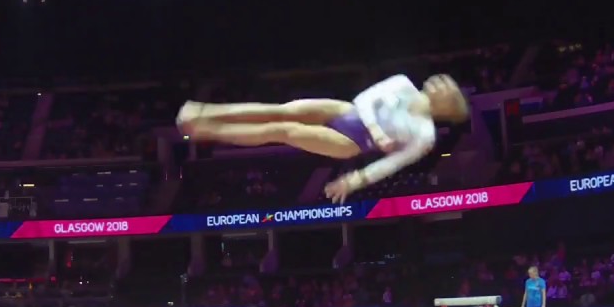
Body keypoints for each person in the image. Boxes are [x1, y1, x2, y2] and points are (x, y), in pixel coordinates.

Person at [176, 74, 470, 204]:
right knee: (279, 110)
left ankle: (206, 130)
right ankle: (207, 111)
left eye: (447, 87)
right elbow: (365, 99)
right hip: (349, 111)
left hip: (351, 142)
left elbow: (393, 164)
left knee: (282, 130)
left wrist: (354, 181)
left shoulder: (425, 134)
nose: (440, 83)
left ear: (448, 105)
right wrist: (380, 132)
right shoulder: (403, 84)